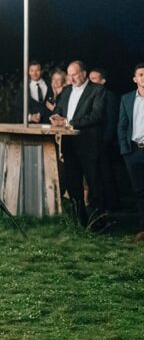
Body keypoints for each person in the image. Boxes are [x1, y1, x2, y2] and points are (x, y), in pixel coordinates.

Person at [50, 60, 108, 229]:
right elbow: (59, 108)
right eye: (69, 75)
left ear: (83, 73)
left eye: (74, 74)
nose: (71, 78)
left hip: (89, 145)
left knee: (95, 185)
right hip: (69, 145)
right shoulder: (67, 90)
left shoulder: (97, 90)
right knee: (73, 185)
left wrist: (68, 122)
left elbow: (96, 116)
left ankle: (98, 223)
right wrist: (55, 117)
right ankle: (79, 221)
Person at [89, 67, 125, 214]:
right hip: (92, 140)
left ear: (103, 81)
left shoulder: (109, 96)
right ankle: (99, 203)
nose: (90, 82)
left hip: (104, 140)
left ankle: (112, 204)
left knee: (106, 172)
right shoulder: (90, 95)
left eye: (94, 79)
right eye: (89, 79)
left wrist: (105, 140)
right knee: (95, 173)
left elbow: (112, 120)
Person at [117, 63, 144, 242]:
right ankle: (143, 228)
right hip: (134, 151)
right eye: (141, 74)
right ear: (135, 79)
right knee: (140, 191)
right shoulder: (127, 99)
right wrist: (125, 150)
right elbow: (122, 125)